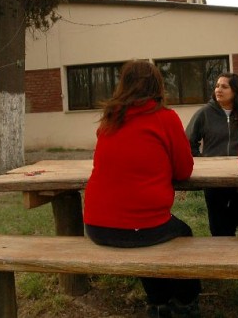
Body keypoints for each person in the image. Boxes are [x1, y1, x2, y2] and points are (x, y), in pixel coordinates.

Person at [83, 60, 201, 318]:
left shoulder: (109, 120)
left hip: (95, 225)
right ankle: (184, 302)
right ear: (158, 84)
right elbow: (184, 171)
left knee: (143, 233)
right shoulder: (165, 118)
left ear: (122, 85)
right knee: (181, 234)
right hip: (140, 227)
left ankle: (157, 301)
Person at [185, 73, 238, 237]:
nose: (218, 89)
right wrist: (201, 162)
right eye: (217, 86)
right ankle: (224, 253)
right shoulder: (205, 113)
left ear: (236, 91)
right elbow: (188, 141)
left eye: (224, 86)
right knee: (218, 227)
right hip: (213, 180)